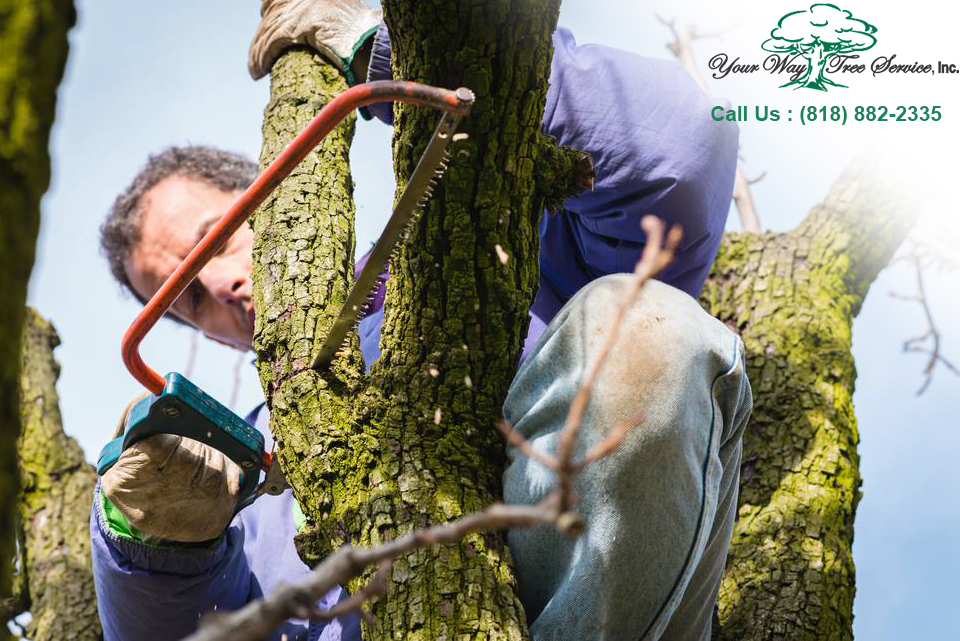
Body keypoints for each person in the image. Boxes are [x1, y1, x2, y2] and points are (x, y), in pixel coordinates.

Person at [92, 1, 752, 639]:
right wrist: (161, 549)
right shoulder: (241, 471)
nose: (219, 284)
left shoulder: (489, 243)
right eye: (189, 301)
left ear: (278, 193)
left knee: (652, 323)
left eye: (216, 240)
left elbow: (677, 147)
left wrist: (384, 60)